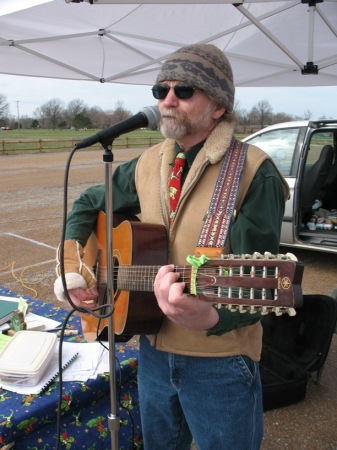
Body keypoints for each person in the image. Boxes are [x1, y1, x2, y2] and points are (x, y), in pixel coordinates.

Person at [54, 44, 289, 450]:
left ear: (218, 106)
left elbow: (264, 289)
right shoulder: (147, 163)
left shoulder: (254, 172)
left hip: (220, 362)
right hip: (152, 351)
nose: (167, 100)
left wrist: (213, 318)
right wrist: (79, 267)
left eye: (183, 90)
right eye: (160, 89)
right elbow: (89, 203)